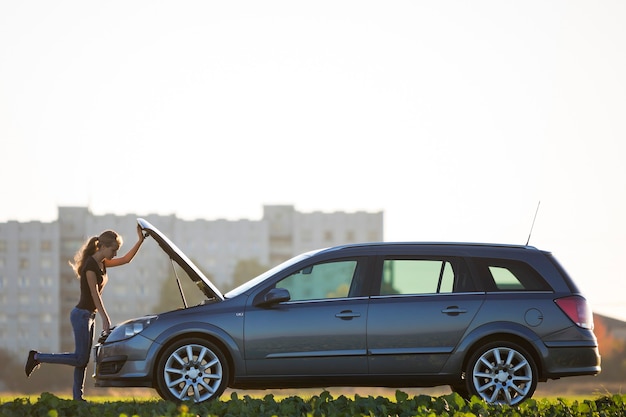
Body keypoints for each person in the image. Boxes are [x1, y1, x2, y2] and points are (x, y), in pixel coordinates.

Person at [24, 225, 146, 401]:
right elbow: (94, 294)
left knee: (82, 359)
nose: (115, 254)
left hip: (89, 316)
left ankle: (78, 398)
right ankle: (37, 357)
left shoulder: (101, 263)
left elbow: (126, 260)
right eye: (114, 250)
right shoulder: (90, 266)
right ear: (103, 247)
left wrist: (140, 241)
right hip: (81, 315)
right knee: (80, 359)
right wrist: (105, 317)